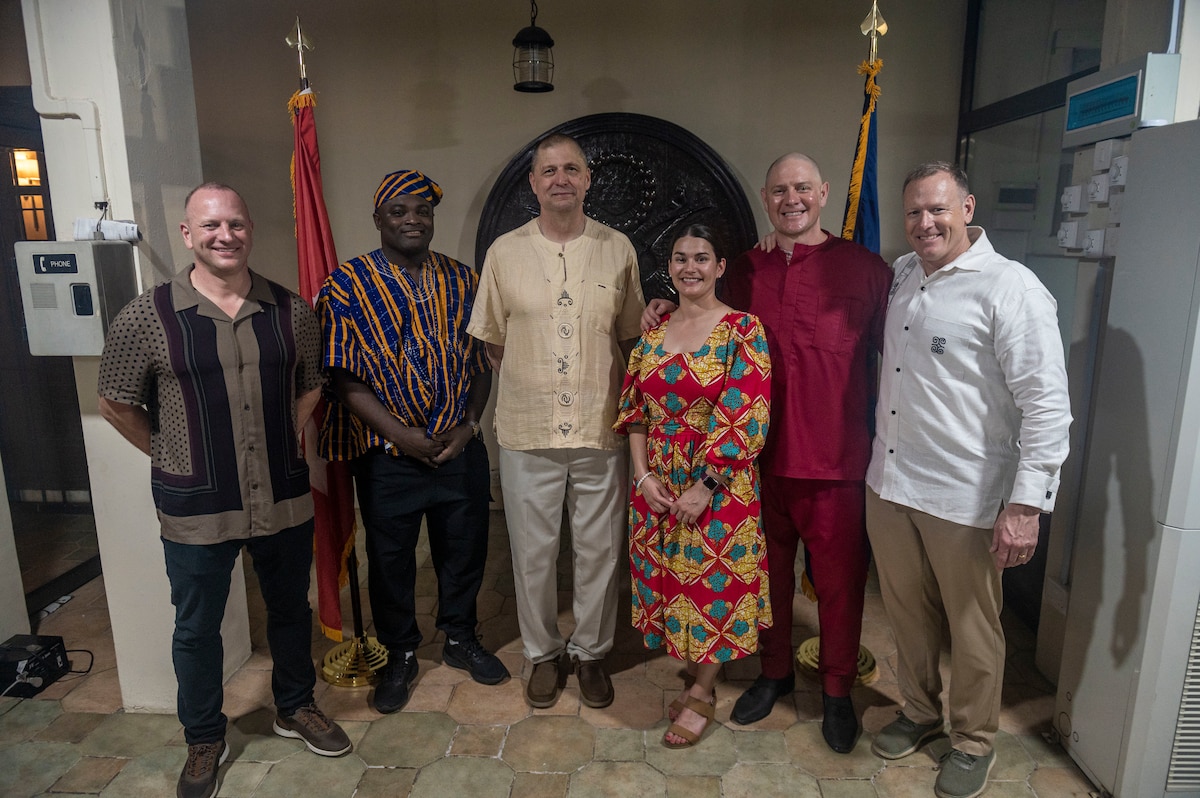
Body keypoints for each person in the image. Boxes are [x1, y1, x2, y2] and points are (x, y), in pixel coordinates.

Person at [97, 183, 351, 798]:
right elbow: (114, 401)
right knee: (196, 626)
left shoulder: (291, 311)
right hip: (196, 504)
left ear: (250, 230)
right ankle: (204, 736)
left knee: (291, 610)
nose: (224, 235)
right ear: (188, 235)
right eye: (210, 225)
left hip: (282, 494)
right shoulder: (148, 315)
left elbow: (313, 382)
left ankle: (294, 705)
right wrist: (172, 453)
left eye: (235, 223)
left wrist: (287, 430)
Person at [644, 153, 891, 752]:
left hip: (836, 461)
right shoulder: (745, 270)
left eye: (803, 188)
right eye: (780, 190)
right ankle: (773, 673)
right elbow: (706, 321)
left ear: (824, 192)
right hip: (752, 464)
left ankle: (836, 690)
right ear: (765, 195)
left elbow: (897, 363)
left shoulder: (866, 270)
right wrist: (665, 311)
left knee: (838, 585)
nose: (792, 200)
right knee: (766, 581)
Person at [865, 162, 1070, 798]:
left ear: (967, 207)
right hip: (891, 482)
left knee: (973, 625)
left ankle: (975, 737)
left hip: (965, 495)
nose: (925, 223)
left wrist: (1026, 506)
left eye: (938, 210)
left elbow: (1046, 405)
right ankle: (921, 713)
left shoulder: (1012, 289)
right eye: (914, 213)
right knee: (906, 615)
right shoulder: (902, 275)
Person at [317, 170, 508, 715]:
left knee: (465, 549)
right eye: (398, 212)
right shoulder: (346, 285)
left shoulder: (464, 281)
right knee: (392, 559)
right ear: (378, 219)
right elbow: (343, 378)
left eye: (421, 211)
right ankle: (399, 652)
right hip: (387, 456)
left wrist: (469, 423)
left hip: (457, 448)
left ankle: (459, 637)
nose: (412, 220)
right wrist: (402, 436)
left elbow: (483, 362)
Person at [468, 133, 645, 709]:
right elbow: (493, 342)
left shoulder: (618, 248)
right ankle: (542, 653)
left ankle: (591, 653)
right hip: (527, 430)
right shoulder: (504, 252)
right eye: (549, 170)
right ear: (534, 182)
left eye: (572, 168)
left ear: (589, 180)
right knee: (533, 552)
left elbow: (630, 333)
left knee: (599, 550)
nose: (561, 178)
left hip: (600, 426)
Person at [614, 226, 772, 748]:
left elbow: (745, 414)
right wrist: (643, 476)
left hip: (718, 484)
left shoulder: (743, 331)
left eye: (702, 258)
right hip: (657, 479)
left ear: (720, 267)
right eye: (680, 258)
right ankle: (695, 667)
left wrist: (706, 484)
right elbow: (635, 413)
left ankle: (704, 689)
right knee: (670, 581)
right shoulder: (653, 333)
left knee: (711, 585)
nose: (690, 267)